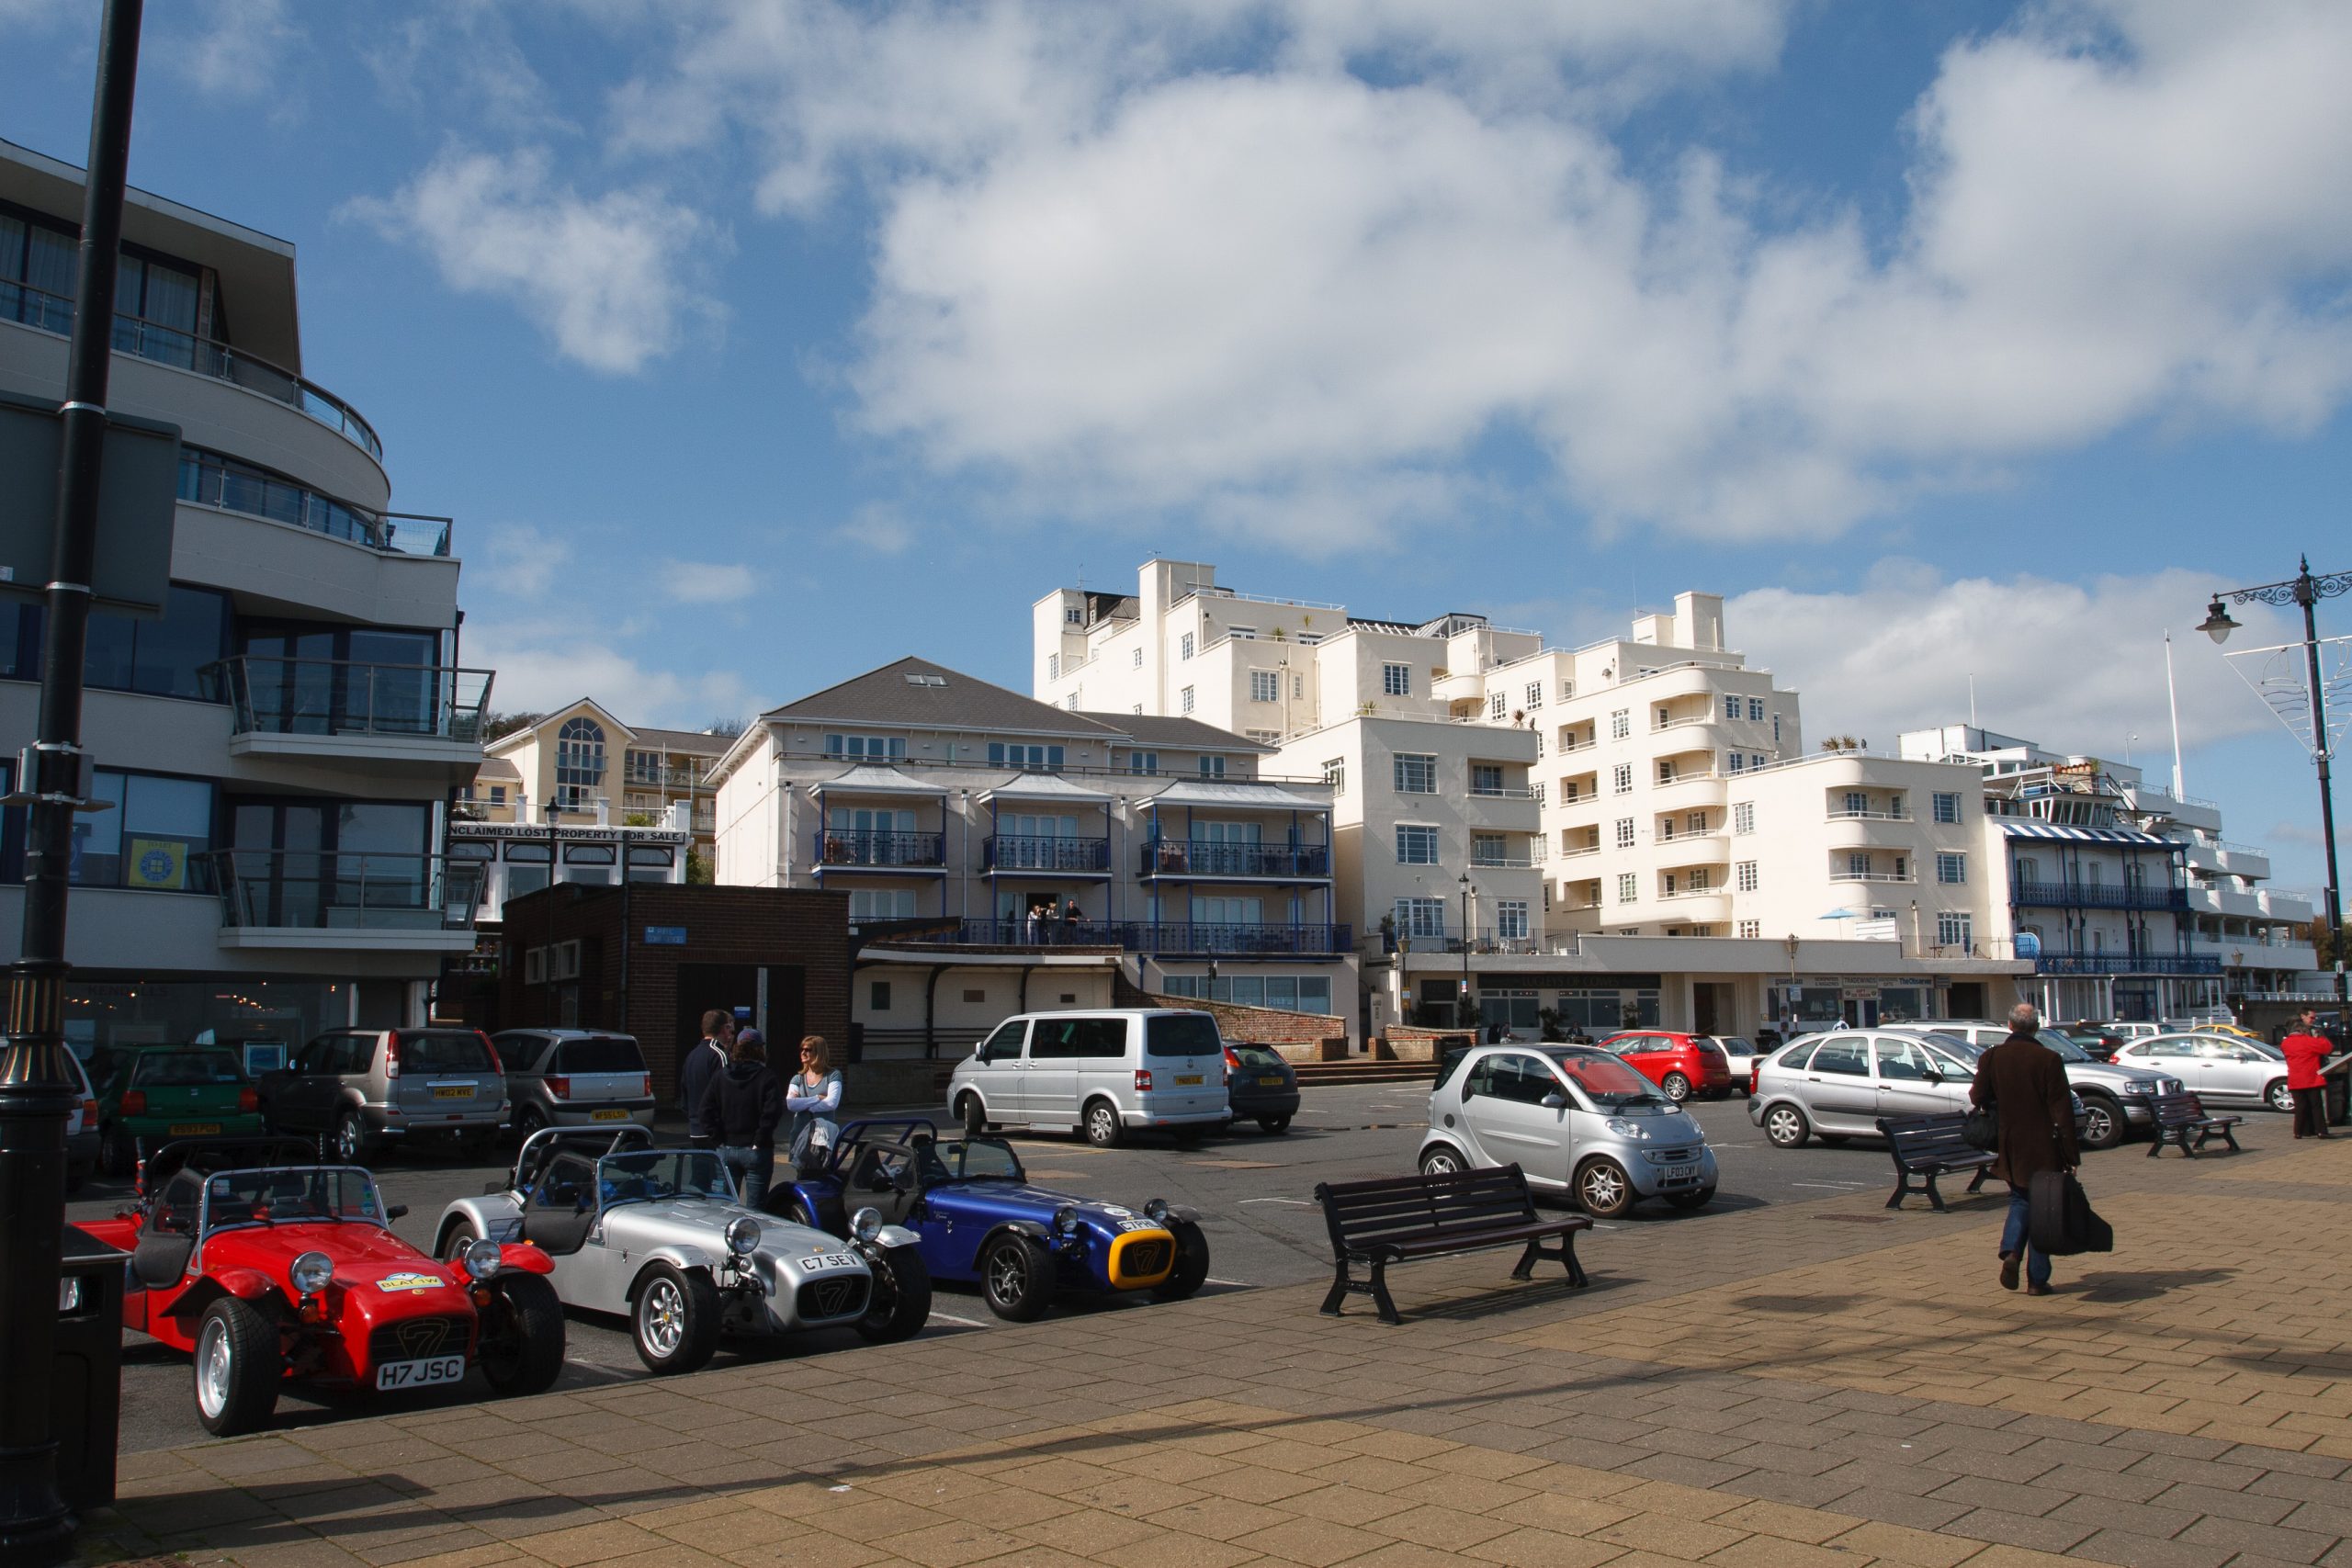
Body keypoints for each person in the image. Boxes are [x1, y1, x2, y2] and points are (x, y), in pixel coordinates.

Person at [1970, 1001, 2080, 1296]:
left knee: (2021, 1199)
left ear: (2010, 1026)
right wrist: (2071, 1154)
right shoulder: (2049, 1059)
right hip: (2045, 1147)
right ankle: (2037, 1279)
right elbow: (2062, 1111)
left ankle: (2011, 1251)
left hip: (2011, 1144)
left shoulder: (1993, 1057)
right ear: (2036, 1028)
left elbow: (1976, 1095)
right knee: (2043, 1210)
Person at [698, 1027, 785, 1205]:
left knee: (724, 1206)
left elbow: (705, 1110)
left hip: (726, 1147)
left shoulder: (721, 1076)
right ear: (760, 1049)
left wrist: (717, 1139)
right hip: (756, 1150)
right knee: (756, 1209)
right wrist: (759, 1140)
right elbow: (772, 1113)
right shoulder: (767, 1077)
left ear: (737, 1047)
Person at [785, 1034, 844, 1168]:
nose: (803, 1053)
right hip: (800, 1134)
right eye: (802, 1049)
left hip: (824, 1136)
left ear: (819, 1052)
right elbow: (791, 1104)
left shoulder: (833, 1075)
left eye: (808, 1049)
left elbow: (831, 1103)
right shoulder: (798, 1078)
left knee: (824, 1173)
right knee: (801, 1174)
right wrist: (817, 1098)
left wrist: (803, 1104)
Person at [680, 1009, 734, 1149]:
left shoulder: (691, 1056)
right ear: (725, 1028)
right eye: (729, 1028)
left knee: (700, 1170)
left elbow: (684, 1098)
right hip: (715, 1131)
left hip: (695, 1130)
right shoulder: (719, 1055)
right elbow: (726, 1095)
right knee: (719, 1170)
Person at [2282, 1009, 2335, 1140]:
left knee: (2300, 1107)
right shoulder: (2308, 1041)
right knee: (2316, 1106)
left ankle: (2298, 1131)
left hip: (2295, 1078)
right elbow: (2327, 1048)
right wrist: (2320, 1037)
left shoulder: (2286, 1043)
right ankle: (2321, 1131)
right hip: (2311, 1077)